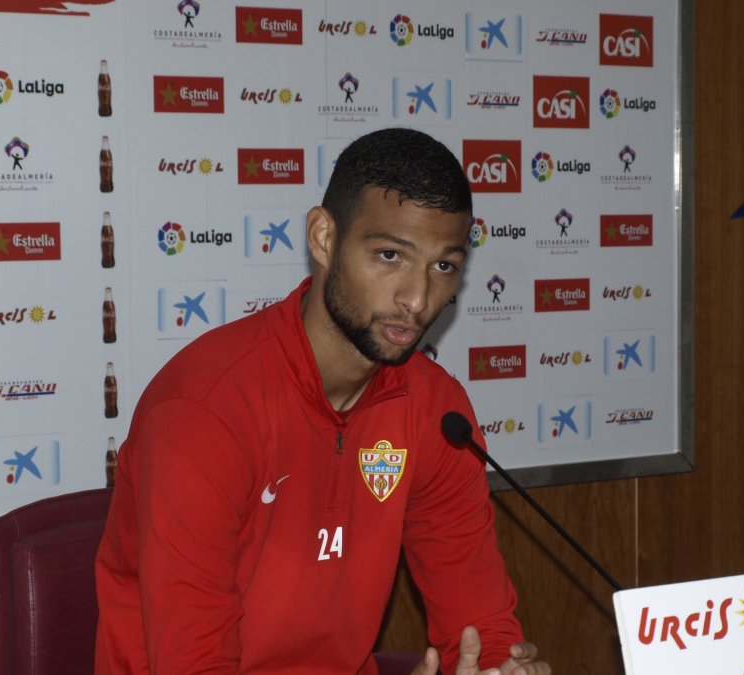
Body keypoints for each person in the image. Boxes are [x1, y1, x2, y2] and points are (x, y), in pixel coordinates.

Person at [94, 128, 550, 675]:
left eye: (443, 266)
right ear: (324, 238)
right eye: (389, 256)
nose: (418, 298)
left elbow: (480, 625)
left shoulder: (437, 412)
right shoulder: (205, 411)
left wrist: (500, 668)